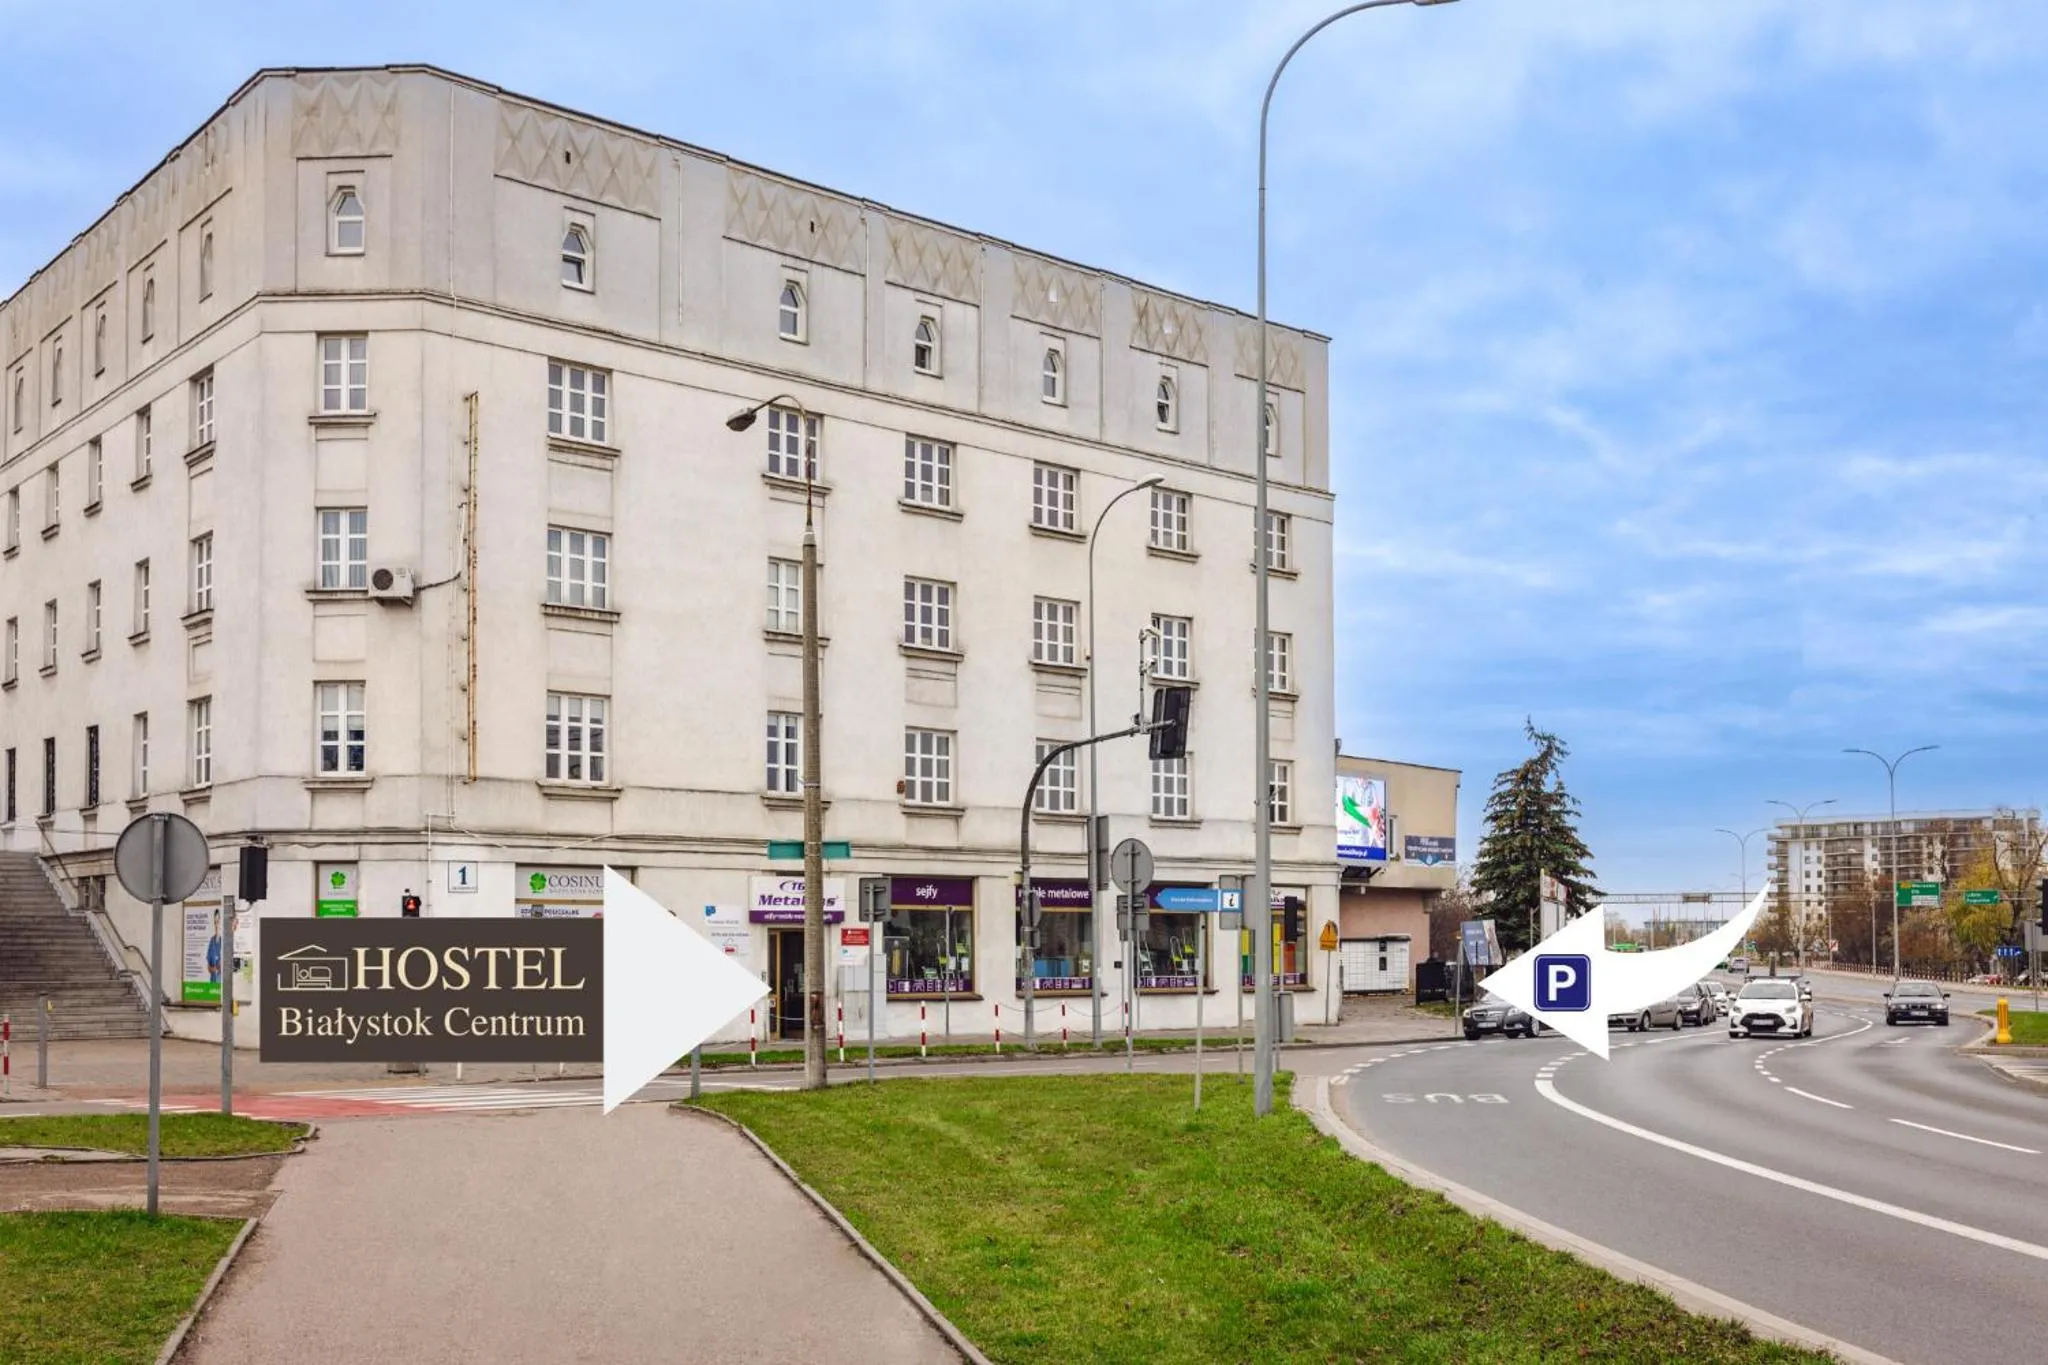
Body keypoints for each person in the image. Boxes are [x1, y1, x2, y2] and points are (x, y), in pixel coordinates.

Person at [206, 909, 222, 985]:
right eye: (215, 922)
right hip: (214, 982)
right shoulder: (212, 942)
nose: (217, 924)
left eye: (218, 921)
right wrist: (214, 968)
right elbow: (209, 968)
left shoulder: (225, 940)